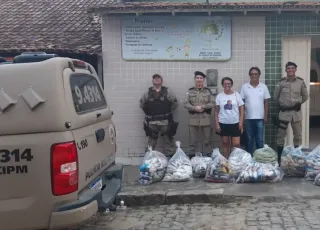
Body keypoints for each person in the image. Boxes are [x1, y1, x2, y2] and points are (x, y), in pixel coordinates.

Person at [274, 61, 309, 165]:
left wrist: (298, 103)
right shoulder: (281, 82)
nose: (290, 70)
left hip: (296, 114)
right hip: (284, 113)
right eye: (288, 68)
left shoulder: (300, 82)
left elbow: (305, 96)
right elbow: (276, 97)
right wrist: (283, 104)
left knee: (297, 135)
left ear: (295, 70)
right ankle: (279, 159)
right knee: (281, 136)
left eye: (292, 68)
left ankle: (296, 157)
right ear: (286, 70)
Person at [140, 74, 178, 156]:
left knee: (169, 141)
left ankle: (171, 159)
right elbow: (142, 105)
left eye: (158, 78)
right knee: (151, 143)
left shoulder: (168, 92)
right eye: (155, 78)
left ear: (162, 81)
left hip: (166, 122)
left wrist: (168, 112)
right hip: (152, 123)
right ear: (152, 81)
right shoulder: (147, 93)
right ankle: (149, 159)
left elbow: (175, 103)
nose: (157, 80)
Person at [240, 67, 271, 155]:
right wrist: (242, 118)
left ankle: (259, 158)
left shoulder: (263, 87)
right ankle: (249, 158)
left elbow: (266, 102)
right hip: (248, 118)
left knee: (260, 140)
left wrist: (265, 115)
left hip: (260, 118)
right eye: (252, 74)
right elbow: (241, 103)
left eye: (256, 74)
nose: (254, 75)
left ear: (259, 75)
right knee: (249, 140)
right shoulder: (244, 87)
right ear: (249, 75)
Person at [184, 71, 215, 156]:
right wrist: (194, 108)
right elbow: (185, 103)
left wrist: (203, 107)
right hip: (193, 118)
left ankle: (209, 155)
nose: (199, 79)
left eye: (201, 78)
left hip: (205, 118)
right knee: (192, 140)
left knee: (207, 139)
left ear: (203, 80)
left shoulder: (208, 91)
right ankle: (191, 156)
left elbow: (213, 103)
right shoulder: (190, 91)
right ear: (195, 79)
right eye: (197, 78)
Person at [215, 77, 244, 159]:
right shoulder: (219, 96)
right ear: (222, 85)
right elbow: (216, 111)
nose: (227, 85)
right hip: (223, 123)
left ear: (231, 84)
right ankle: (226, 160)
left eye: (228, 83)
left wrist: (241, 122)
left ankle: (235, 160)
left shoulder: (236, 95)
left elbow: (241, 108)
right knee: (225, 143)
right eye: (225, 83)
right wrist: (217, 124)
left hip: (235, 123)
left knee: (236, 144)